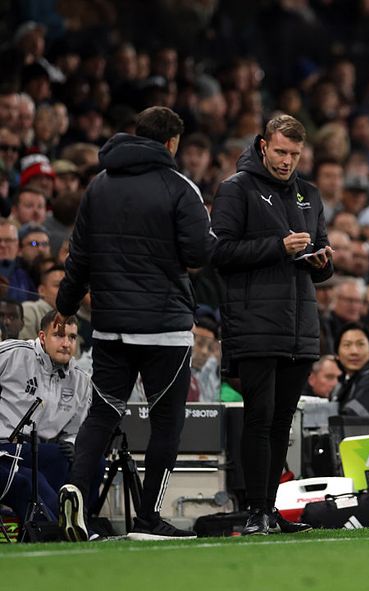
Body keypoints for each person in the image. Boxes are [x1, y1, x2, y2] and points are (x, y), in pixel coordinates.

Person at [54, 106, 212, 542]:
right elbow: (199, 253)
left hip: (111, 327)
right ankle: (148, 518)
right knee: (166, 425)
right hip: (166, 329)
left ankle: (76, 491)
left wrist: (65, 306)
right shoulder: (180, 186)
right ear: (172, 143)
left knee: (101, 416)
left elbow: (79, 256)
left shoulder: (99, 185)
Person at [210, 114, 333, 536]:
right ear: (263, 146)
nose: (287, 161)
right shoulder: (236, 189)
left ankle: (271, 509)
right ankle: (255, 511)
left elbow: (320, 258)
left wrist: (322, 262)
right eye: (280, 152)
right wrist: (278, 247)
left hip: (299, 323)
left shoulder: (309, 194)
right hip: (254, 322)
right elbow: (219, 252)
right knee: (259, 419)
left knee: (282, 422)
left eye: (294, 154)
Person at [0, 311, 90, 523]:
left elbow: (74, 429)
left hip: (38, 448)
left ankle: (76, 520)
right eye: (59, 335)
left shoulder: (81, 380)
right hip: (5, 446)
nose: (66, 343)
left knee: (88, 463)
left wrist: (71, 443)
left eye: (72, 337)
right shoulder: (14, 353)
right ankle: (67, 525)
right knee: (37, 476)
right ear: (42, 337)